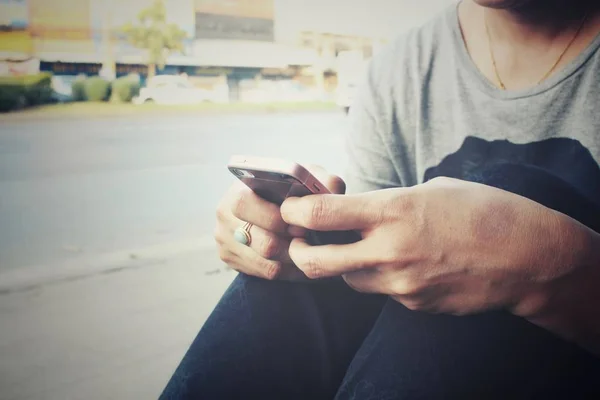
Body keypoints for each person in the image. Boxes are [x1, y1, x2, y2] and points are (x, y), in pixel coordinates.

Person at [161, 0, 600, 398]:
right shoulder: (400, 69)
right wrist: (270, 239)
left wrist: (547, 272)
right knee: (302, 274)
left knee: (516, 189)